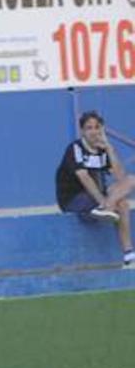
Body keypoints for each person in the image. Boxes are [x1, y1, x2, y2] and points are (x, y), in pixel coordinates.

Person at [55, 110, 135, 268]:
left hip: (99, 202)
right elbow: (84, 178)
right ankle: (107, 207)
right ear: (83, 131)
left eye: (97, 127)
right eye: (89, 128)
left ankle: (129, 255)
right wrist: (104, 202)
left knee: (129, 188)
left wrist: (110, 149)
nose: (94, 131)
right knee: (116, 203)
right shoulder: (75, 148)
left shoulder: (103, 150)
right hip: (75, 199)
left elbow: (120, 177)